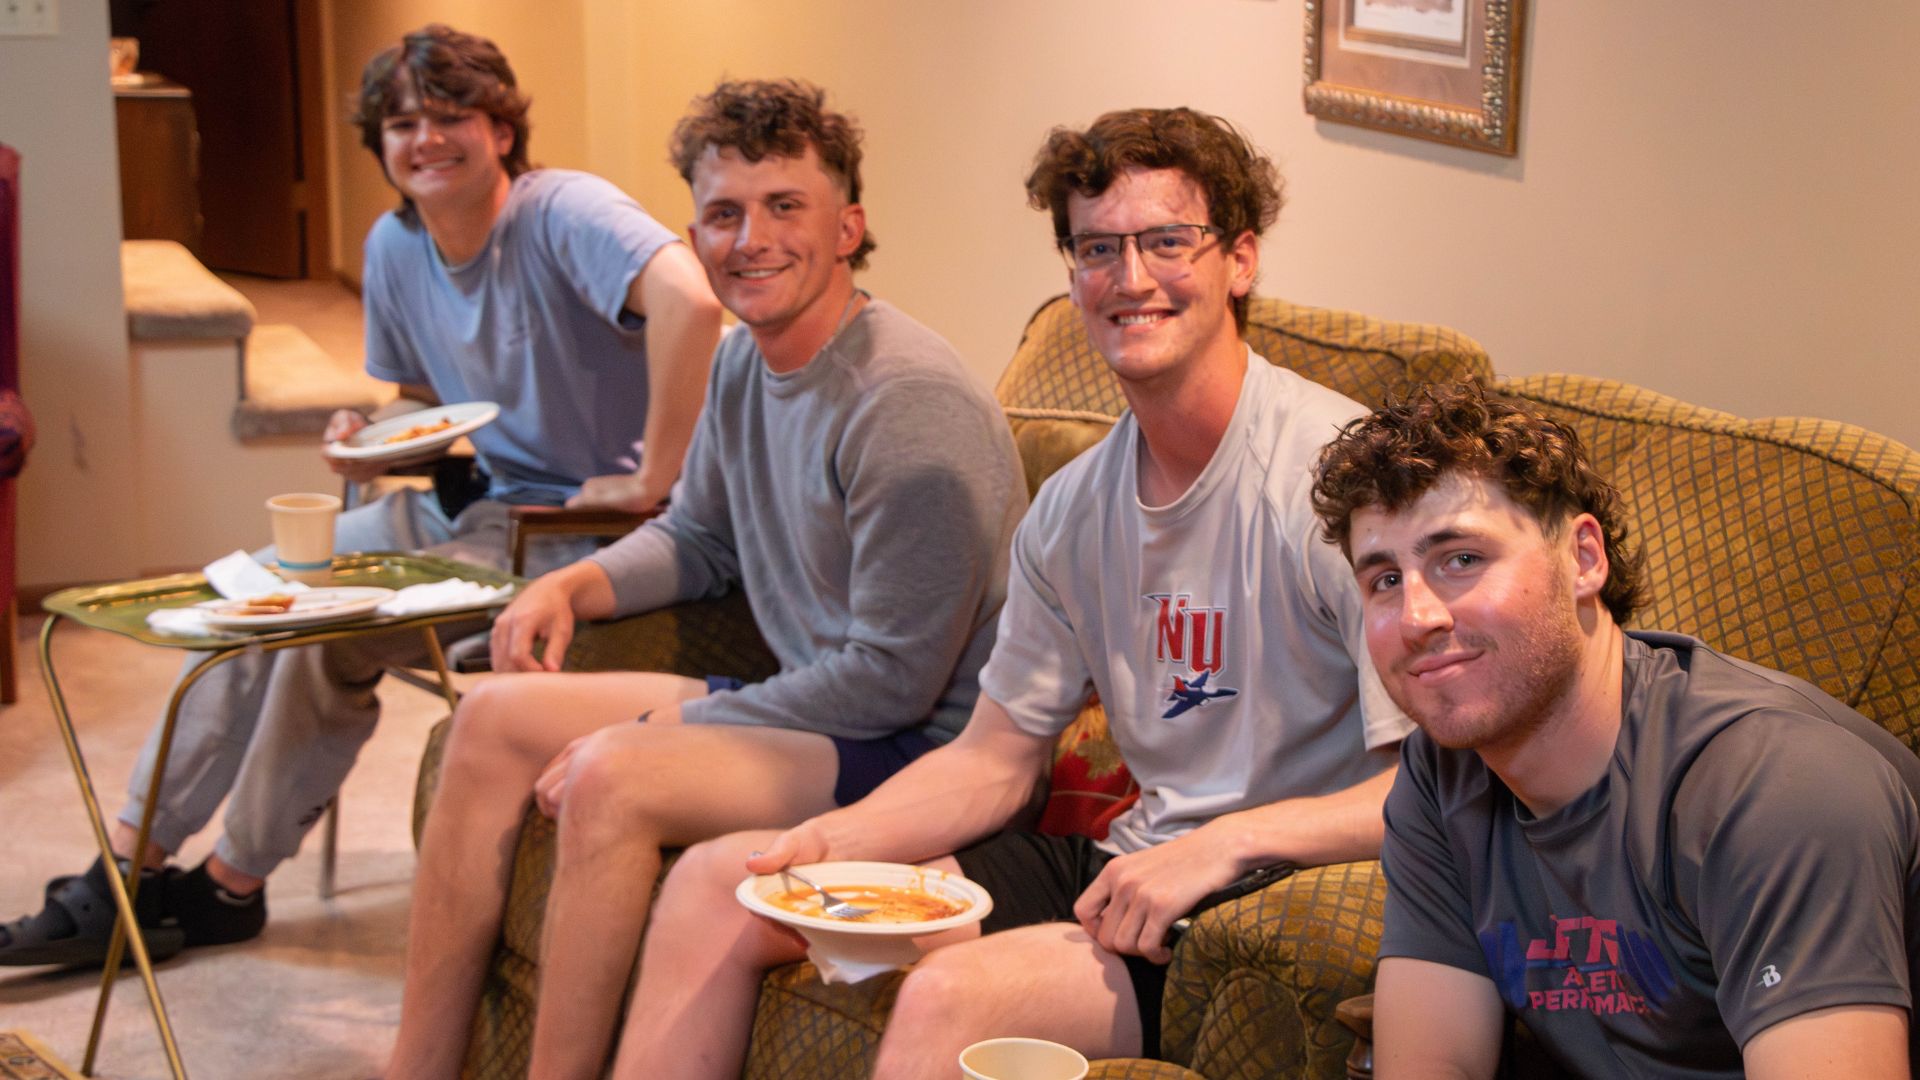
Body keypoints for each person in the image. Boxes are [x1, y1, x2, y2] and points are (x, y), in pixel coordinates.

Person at [611, 106, 1415, 1079]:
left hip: (1271, 898)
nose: (1130, 278)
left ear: (1239, 261)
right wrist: (829, 840)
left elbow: (1442, 783)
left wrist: (1231, 843)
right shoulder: (1072, 511)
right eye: (1096, 248)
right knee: (719, 884)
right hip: (1123, 865)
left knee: (953, 996)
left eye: (1168, 242)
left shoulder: (1341, 483)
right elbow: (994, 759)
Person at [0, 24, 723, 967]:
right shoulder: (394, 244)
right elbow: (428, 402)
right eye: (402, 122)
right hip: (481, 505)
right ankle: (143, 867)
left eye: (452, 116)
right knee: (252, 600)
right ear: (379, 144)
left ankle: (218, 885)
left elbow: (692, 301)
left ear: (502, 131)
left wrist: (655, 473)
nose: (426, 138)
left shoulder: (561, 211)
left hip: (586, 534)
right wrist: (367, 443)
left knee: (324, 636)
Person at [382, 78, 1027, 1079]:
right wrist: (573, 587)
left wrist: (658, 730)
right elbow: (700, 538)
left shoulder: (908, 402)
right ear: (694, 232)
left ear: (848, 226)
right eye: (723, 214)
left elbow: (893, 683)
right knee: (489, 720)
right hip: (813, 708)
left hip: (909, 749)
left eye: (785, 207)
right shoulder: (741, 363)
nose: (750, 239)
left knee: (611, 776)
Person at [1309, 381, 1920, 1076]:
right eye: (1385, 579)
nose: (1418, 617)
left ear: (1585, 559)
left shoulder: (1774, 787)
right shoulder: (1442, 771)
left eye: (1462, 560)